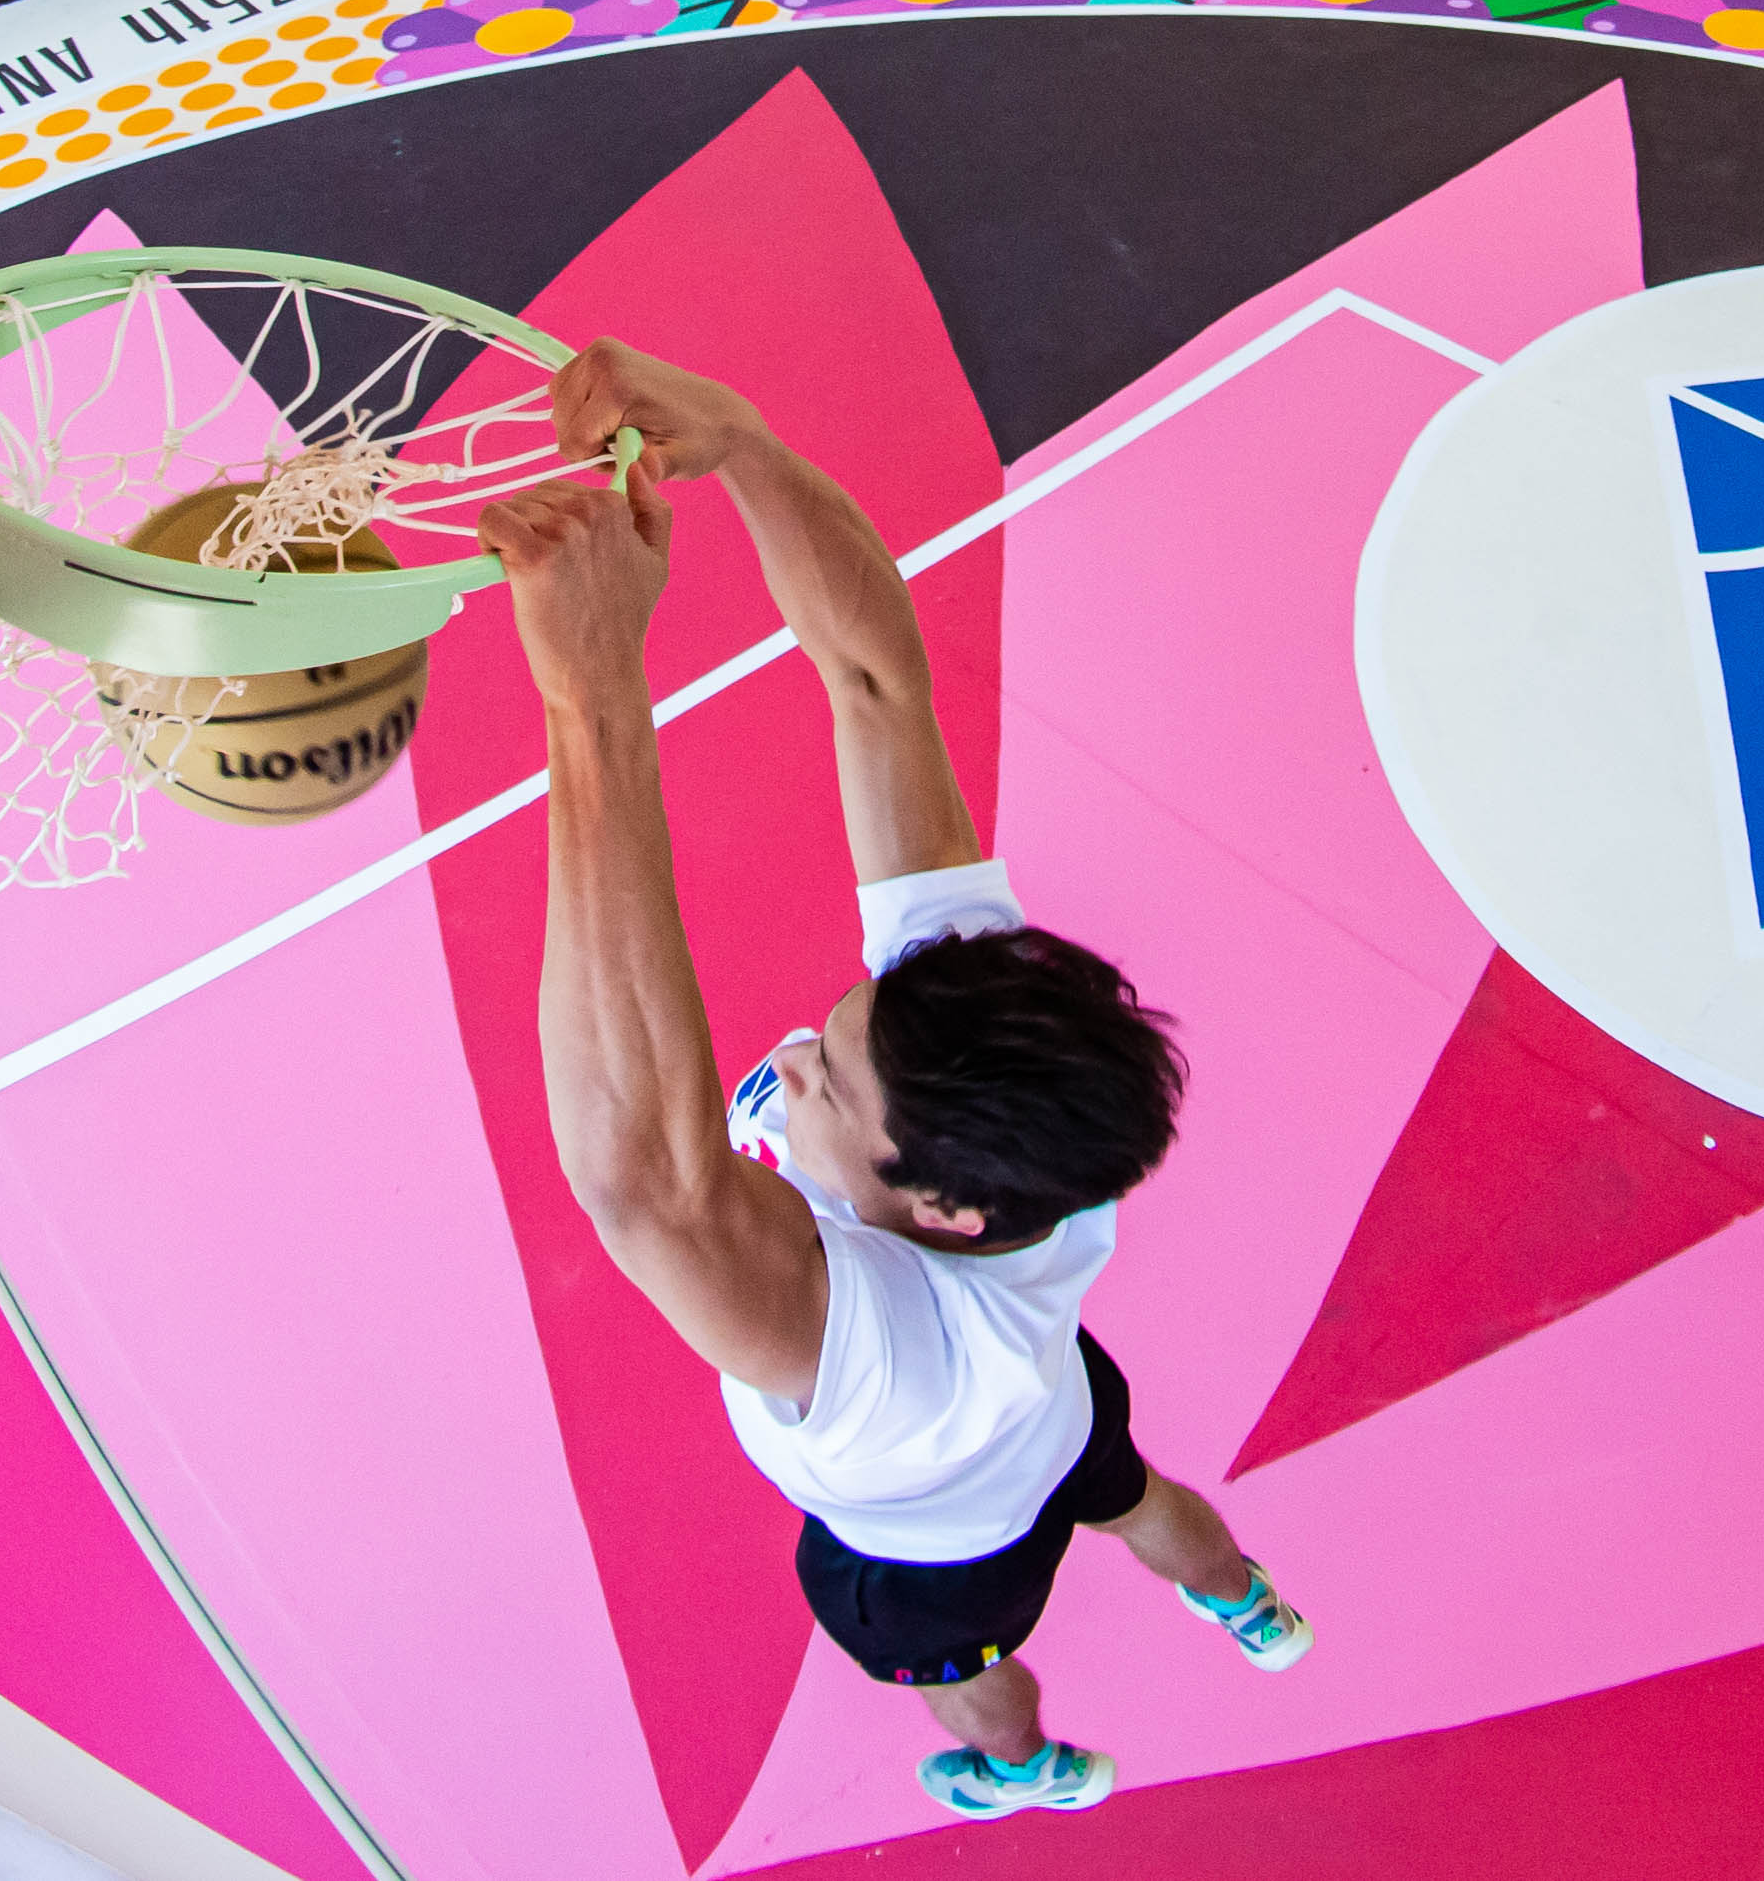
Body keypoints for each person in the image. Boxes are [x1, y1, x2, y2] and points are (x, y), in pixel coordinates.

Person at [478, 342, 1310, 1822]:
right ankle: (1243, 1597)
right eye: (836, 1037)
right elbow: (874, 684)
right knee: (1137, 1494)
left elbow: (648, 1181)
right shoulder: (984, 1082)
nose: (796, 1058)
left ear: (944, 1210)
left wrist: (593, 701)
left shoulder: (890, 1357)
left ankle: (1022, 1763)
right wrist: (743, 437)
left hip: (935, 1556)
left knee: (963, 1673)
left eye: (828, 1089)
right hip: (1062, 1416)